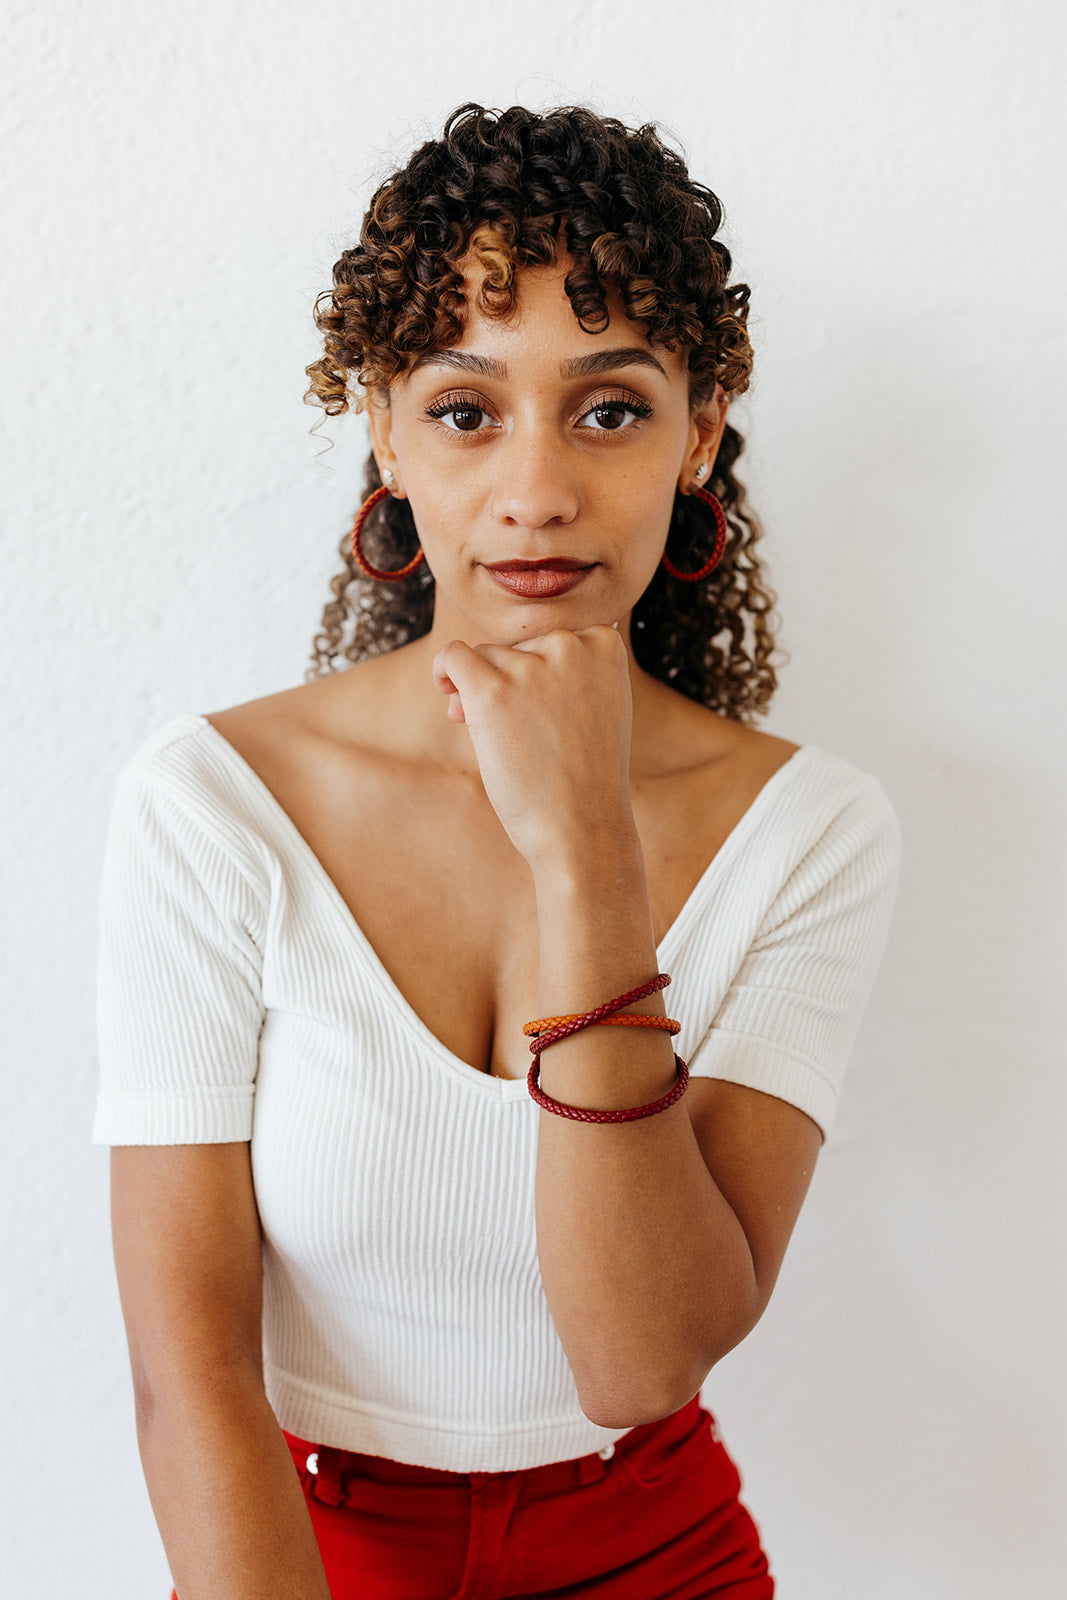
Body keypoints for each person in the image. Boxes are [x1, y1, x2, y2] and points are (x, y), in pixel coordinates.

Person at [94, 103, 901, 1600]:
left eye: (608, 410)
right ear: (386, 432)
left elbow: (637, 1358)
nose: (536, 491)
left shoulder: (814, 832)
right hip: (299, 1549)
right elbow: (186, 1373)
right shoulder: (211, 804)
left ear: (699, 430)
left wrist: (585, 845)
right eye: (467, 412)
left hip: (654, 1548)